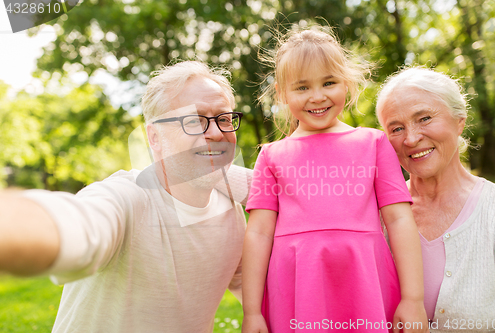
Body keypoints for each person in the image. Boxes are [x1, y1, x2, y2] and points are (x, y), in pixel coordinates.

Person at [0, 61, 248, 332]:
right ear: (154, 137)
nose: (215, 133)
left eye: (224, 119)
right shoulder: (128, 198)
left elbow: (262, 292)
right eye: (193, 121)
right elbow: (80, 226)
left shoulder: (231, 214)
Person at [241, 27, 428, 333]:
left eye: (329, 82)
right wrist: (252, 312)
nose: (318, 96)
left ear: (347, 83)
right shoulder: (272, 156)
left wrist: (413, 298)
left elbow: (398, 220)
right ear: (281, 93)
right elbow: (259, 234)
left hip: (364, 282)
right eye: (302, 87)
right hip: (297, 287)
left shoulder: (373, 143)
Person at [376, 67, 495, 332]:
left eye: (424, 118)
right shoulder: (375, 217)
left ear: (459, 121)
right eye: (396, 128)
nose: (411, 138)